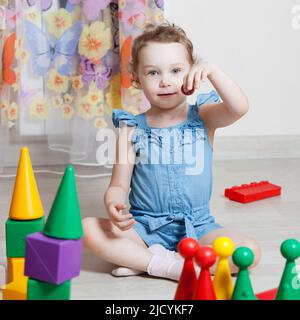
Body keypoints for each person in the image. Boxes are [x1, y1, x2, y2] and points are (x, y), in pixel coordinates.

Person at [82, 22, 261, 281]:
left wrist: (212, 71)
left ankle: (144, 262)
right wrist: (113, 203)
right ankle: (168, 265)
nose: (165, 81)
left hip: (198, 227)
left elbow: (238, 107)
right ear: (137, 78)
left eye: (176, 70)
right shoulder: (131, 129)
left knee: (248, 252)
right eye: (153, 73)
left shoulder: (204, 117)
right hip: (143, 227)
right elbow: (118, 185)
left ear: (192, 72)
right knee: (87, 229)